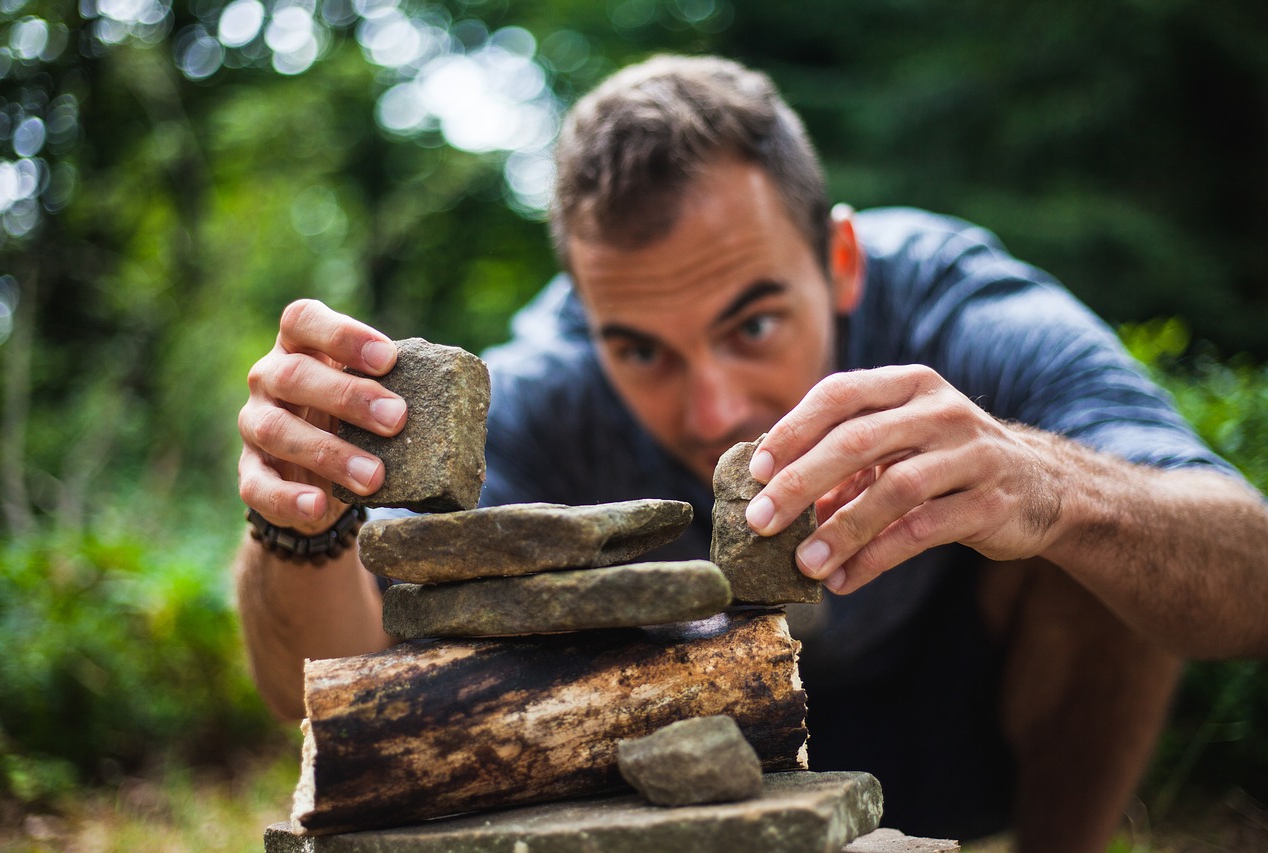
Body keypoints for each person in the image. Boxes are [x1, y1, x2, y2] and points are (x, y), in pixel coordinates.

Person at [233, 55, 1268, 850]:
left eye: (754, 323)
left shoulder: (961, 306)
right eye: (637, 347)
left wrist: (1053, 489)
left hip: (970, 721)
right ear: (583, 313)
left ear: (841, 260)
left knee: (1105, 522)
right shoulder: (544, 382)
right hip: (676, 744)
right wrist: (303, 520)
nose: (711, 406)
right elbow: (328, 686)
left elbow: (1248, 576)